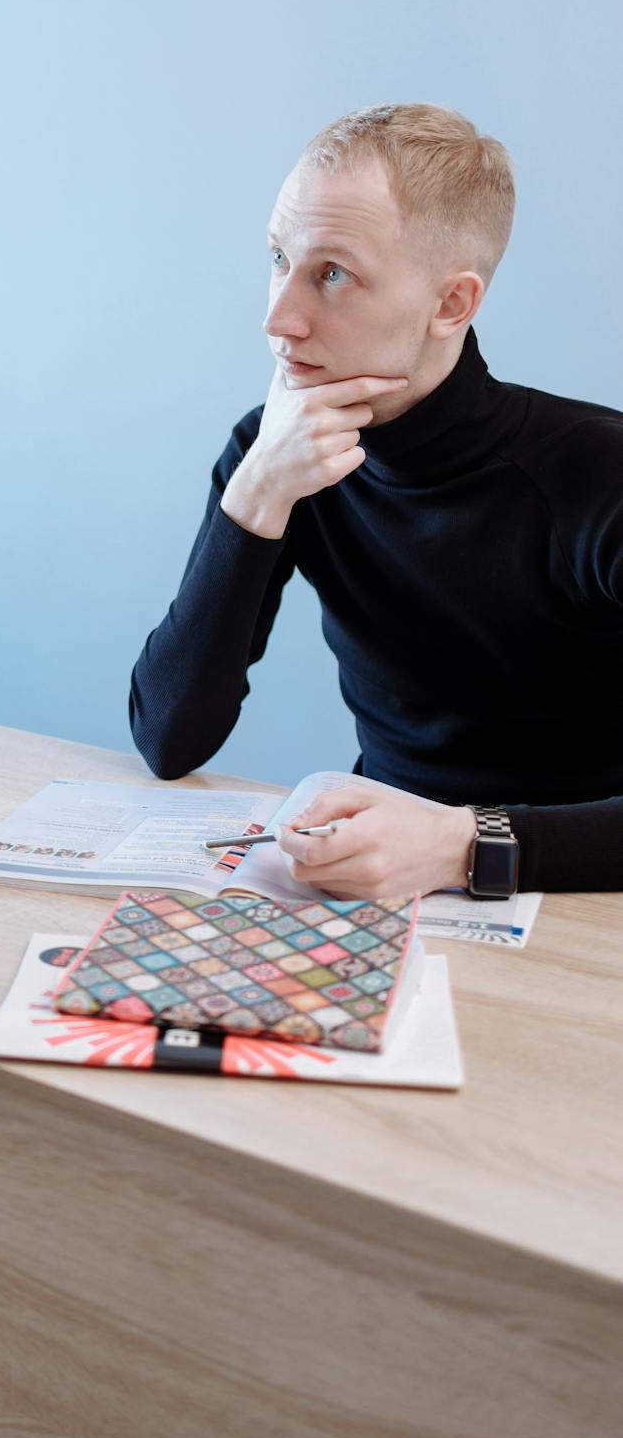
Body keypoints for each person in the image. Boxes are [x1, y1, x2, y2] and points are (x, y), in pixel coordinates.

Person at [129, 103, 623, 899]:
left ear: (451, 305)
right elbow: (168, 738)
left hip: (586, 907)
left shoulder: (600, 476)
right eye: (277, 257)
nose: (277, 319)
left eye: (332, 273)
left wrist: (466, 844)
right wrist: (253, 499)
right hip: (381, 898)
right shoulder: (278, 451)